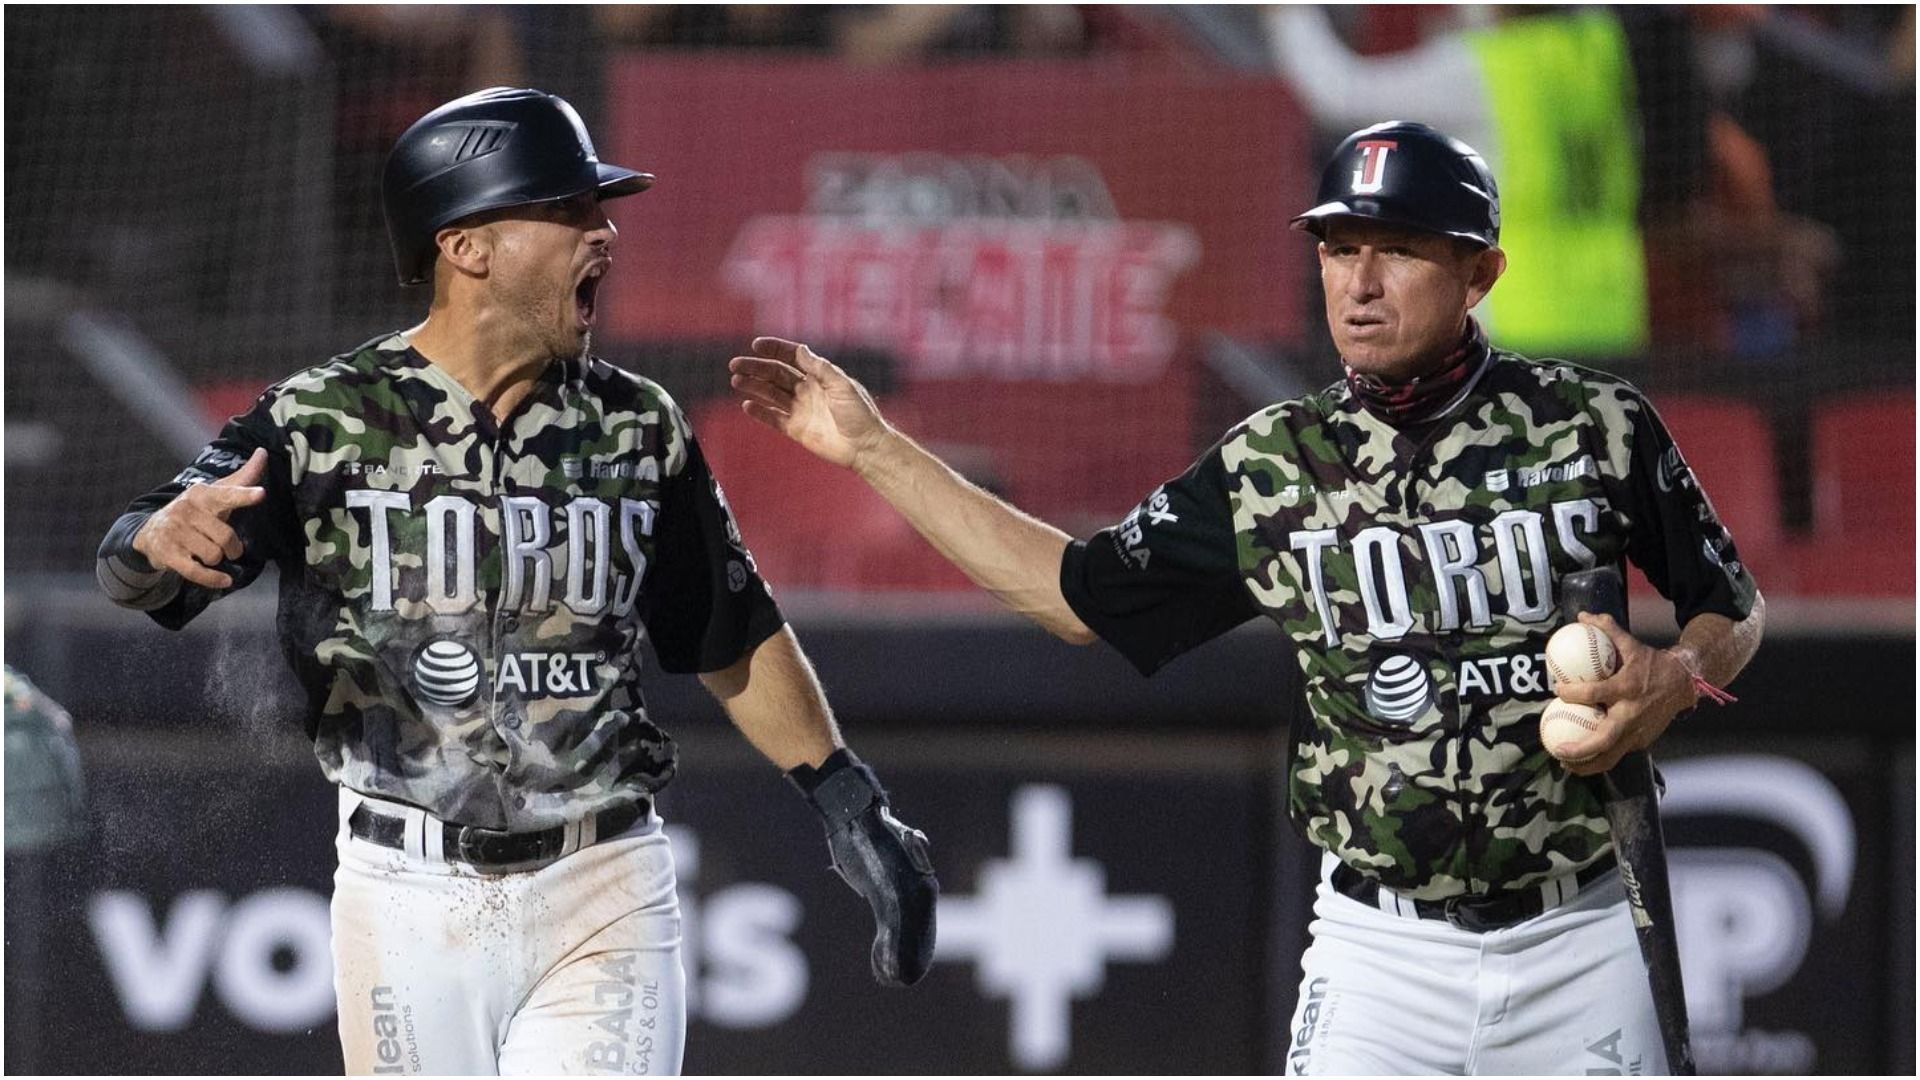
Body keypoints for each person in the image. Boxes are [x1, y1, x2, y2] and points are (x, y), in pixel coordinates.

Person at [728, 121, 1765, 1075]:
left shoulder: (1595, 426)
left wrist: (1677, 675)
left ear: (1479, 270)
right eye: (1336, 246)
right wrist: (873, 449)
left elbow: (1733, 606)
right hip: (1380, 954)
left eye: (1396, 247)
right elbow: (1076, 596)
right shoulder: (1274, 466)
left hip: (1580, 930)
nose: (1358, 280)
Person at [95, 87, 936, 1076]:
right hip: (405, 894)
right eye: (569, 210)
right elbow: (145, 562)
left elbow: (728, 633)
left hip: (604, 878)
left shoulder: (637, 424)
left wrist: (848, 800)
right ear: (468, 246)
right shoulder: (323, 419)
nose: (604, 232)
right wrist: (150, 541)